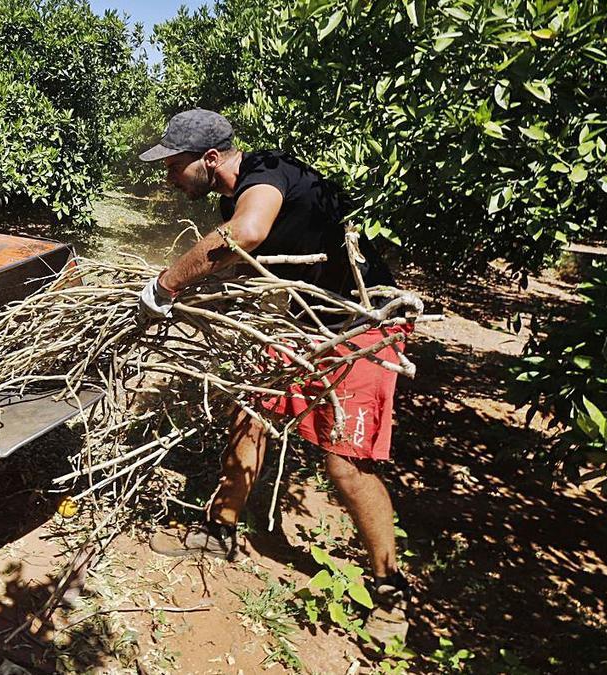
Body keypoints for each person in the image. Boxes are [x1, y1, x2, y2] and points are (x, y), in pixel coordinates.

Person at [136, 108, 410, 644]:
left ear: (210, 160)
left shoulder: (266, 176)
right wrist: (198, 298)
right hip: (305, 318)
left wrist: (165, 286)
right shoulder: (233, 190)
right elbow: (240, 264)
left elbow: (246, 234)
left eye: (174, 165)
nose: (169, 176)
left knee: (346, 466)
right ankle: (219, 530)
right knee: (249, 412)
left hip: (360, 325)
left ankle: (391, 593)